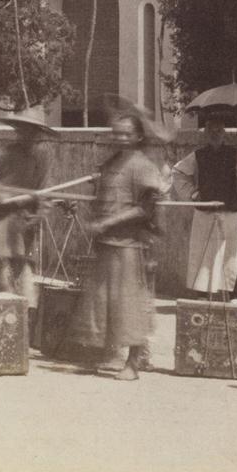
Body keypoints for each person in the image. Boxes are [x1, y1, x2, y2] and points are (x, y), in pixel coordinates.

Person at [71, 106, 166, 380]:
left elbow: (145, 210)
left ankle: (133, 364)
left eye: (126, 134)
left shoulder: (143, 166)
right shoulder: (110, 164)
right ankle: (112, 356)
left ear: (138, 137)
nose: (120, 138)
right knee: (106, 304)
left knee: (131, 305)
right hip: (108, 245)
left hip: (130, 246)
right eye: (117, 134)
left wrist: (107, 223)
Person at [0, 104, 57, 305]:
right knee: (1, 270)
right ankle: (4, 310)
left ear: (38, 134)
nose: (27, 135)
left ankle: (27, 315)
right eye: (23, 130)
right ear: (17, 131)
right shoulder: (4, 153)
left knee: (24, 272)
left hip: (26, 221)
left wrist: (38, 215)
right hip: (3, 219)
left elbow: (46, 192)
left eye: (32, 132)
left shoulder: (42, 158)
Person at [171, 111, 237, 300]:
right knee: (202, 254)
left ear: (224, 132)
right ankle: (201, 294)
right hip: (205, 211)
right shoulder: (198, 155)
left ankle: (232, 295)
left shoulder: (235, 154)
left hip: (229, 210)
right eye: (211, 129)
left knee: (230, 253)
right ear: (205, 132)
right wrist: (193, 194)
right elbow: (177, 172)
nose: (215, 133)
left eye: (219, 129)